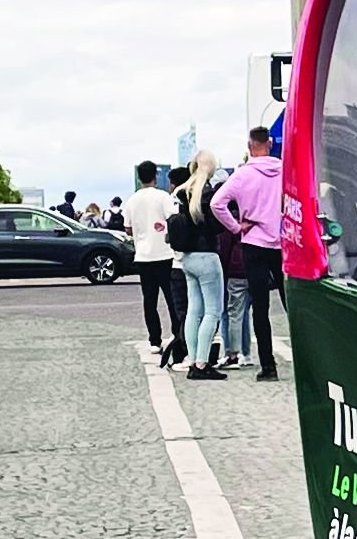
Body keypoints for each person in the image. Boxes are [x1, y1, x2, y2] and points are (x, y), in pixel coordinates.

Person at [213, 122, 290, 382]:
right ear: (269, 144)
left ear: (249, 146)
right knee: (291, 302)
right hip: (282, 243)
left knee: (260, 307)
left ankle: (268, 367)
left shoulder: (242, 175)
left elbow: (217, 203)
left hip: (253, 242)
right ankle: (307, 360)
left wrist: (236, 227)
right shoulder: (284, 170)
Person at [172, 150, 231, 379]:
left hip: (186, 257)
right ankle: (202, 363)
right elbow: (217, 226)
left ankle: (192, 358)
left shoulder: (182, 192)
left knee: (193, 311)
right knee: (213, 311)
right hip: (207, 256)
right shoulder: (209, 193)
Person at [124, 160, 184, 364]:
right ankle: (177, 334)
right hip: (165, 254)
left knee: (149, 300)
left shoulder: (132, 201)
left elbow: (128, 229)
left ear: (139, 177)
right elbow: (174, 220)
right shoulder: (163, 197)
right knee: (172, 299)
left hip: (143, 256)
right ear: (155, 177)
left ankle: (154, 340)